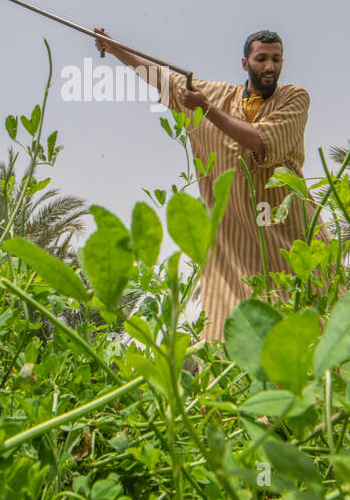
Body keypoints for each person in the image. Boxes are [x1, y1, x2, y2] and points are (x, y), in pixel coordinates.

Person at [94, 27, 335, 344]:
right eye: (261, 58)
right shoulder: (219, 94)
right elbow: (163, 78)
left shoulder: (294, 98)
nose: (269, 66)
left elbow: (259, 140)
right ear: (245, 63)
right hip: (233, 248)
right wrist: (117, 50)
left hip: (288, 237)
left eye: (276, 59)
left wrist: (205, 109)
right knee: (231, 342)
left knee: (312, 332)